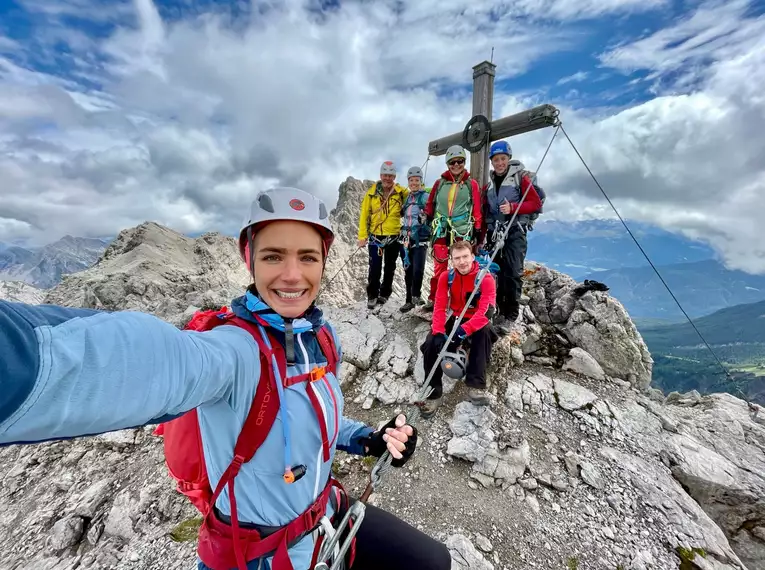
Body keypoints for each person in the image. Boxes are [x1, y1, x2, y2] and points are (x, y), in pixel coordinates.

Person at [0, 188, 452, 570]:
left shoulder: (321, 335)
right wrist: (19, 360)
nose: (292, 275)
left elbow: (313, 414)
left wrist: (367, 438)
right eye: (274, 256)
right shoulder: (233, 349)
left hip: (325, 516)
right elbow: (150, 360)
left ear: (323, 264)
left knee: (433, 561)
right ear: (248, 260)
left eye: (308, 257)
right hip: (256, 553)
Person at [418, 240, 497, 419]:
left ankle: (476, 385)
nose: (462, 262)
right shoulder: (447, 277)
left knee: (483, 334)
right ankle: (433, 393)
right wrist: (438, 330)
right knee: (431, 343)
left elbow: (487, 311)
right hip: (454, 315)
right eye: (457, 258)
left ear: (472, 256)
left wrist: (464, 331)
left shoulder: (485, 279)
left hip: (476, 318)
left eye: (465, 257)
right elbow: (439, 305)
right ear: (452, 260)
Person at [482, 140, 542, 334]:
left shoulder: (520, 178)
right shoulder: (490, 184)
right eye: (496, 159)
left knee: (513, 272)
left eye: (503, 159)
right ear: (491, 161)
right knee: (496, 271)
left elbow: (535, 204)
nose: (499, 163)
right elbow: (488, 212)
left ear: (508, 158)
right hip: (496, 233)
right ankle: (499, 309)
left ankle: (511, 315)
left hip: (515, 231)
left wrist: (513, 208)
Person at [422, 146, 482, 311]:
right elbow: (431, 203)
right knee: (440, 265)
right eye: (452, 162)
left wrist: (477, 228)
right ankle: (436, 299)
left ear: (464, 162)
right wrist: (427, 216)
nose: (456, 165)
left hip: (461, 229)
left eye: (460, 161)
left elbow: (477, 207)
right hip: (441, 228)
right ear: (448, 163)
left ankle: (462, 300)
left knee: (462, 265)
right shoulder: (440, 183)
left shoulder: (471, 184)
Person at [357, 161, 408, 310]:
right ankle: (372, 295)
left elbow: (414, 195)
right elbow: (364, 214)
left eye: (390, 176)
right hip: (375, 237)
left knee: (390, 267)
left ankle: (384, 294)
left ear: (394, 176)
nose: (387, 178)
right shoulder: (371, 194)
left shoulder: (401, 192)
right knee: (375, 266)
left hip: (394, 235)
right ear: (380, 176)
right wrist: (362, 236)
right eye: (385, 175)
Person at [398, 166, 431, 312]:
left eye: (416, 180)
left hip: (420, 238)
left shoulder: (425, 197)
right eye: (411, 181)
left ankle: (416, 295)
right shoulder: (407, 198)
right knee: (408, 269)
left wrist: (426, 217)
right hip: (406, 238)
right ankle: (409, 300)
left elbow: (432, 213)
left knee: (418, 269)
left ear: (421, 181)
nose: (414, 183)